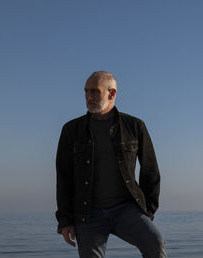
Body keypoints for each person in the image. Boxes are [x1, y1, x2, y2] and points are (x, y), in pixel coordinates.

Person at [55, 71, 167, 258]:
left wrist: (148, 211)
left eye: (94, 92)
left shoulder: (134, 126)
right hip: (87, 213)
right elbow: (63, 177)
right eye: (86, 91)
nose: (88, 97)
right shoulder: (71, 130)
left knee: (155, 242)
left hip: (127, 209)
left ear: (112, 93)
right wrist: (65, 221)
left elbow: (150, 170)